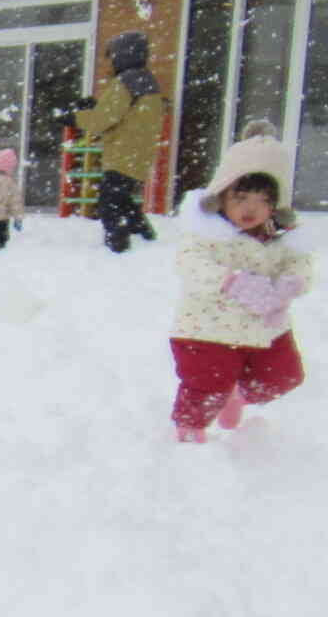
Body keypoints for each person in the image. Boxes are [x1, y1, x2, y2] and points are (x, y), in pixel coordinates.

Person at [169, 133, 312, 442]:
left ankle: (237, 396)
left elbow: (299, 263)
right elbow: (190, 264)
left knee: (283, 376)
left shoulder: (279, 237)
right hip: (208, 329)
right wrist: (229, 281)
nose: (252, 208)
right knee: (206, 385)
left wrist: (291, 283)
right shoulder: (205, 234)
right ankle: (189, 434)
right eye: (242, 197)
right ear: (221, 195)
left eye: (264, 201)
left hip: (265, 327)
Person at [71, 31, 165, 253]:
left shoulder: (125, 82)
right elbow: (126, 114)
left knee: (109, 204)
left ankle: (118, 249)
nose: (111, 62)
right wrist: (94, 106)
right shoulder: (147, 81)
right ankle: (147, 241)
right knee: (123, 201)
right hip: (138, 155)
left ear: (122, 55)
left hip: (122, 155)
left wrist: (75, 118)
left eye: (112, 56)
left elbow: (103, 119)